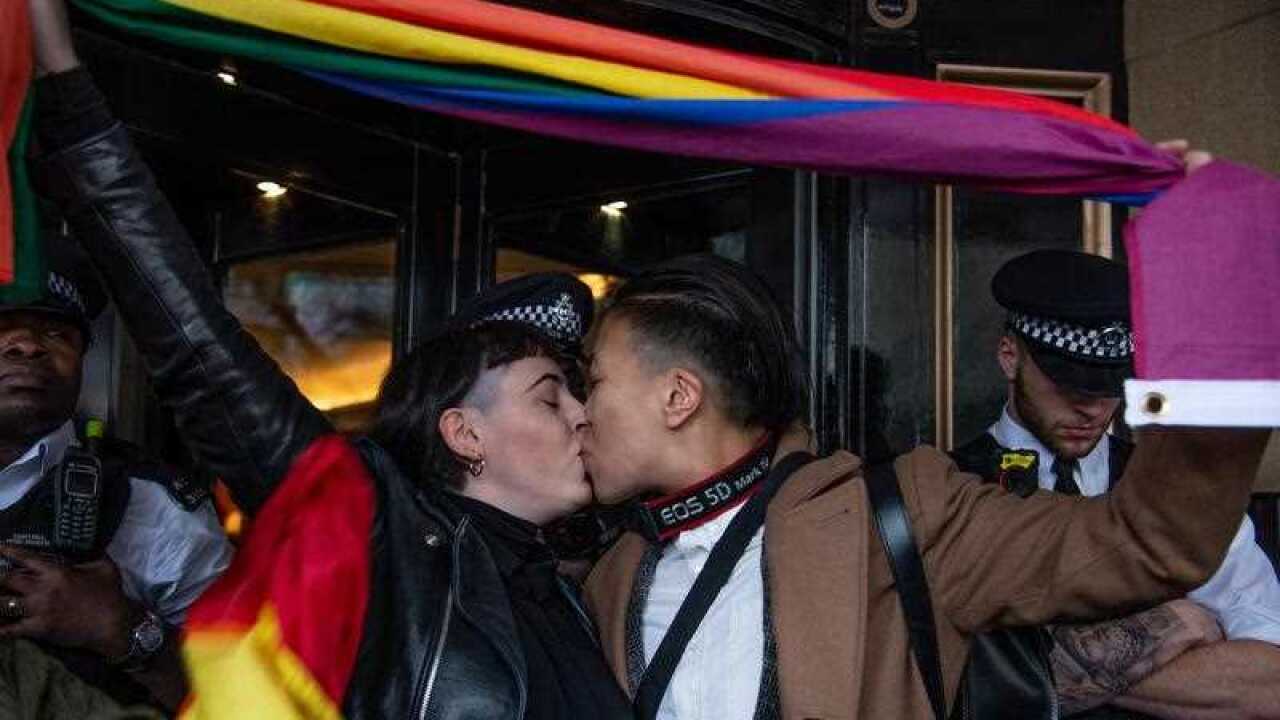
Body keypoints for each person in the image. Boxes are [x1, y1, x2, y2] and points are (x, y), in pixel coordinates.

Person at [26, 4, 633, 716]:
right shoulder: (388, 544)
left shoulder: (577, 587)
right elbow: (200, 351)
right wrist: (69, 93)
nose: (582, 415)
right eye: (549, 395)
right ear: (464, 433)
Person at [578, 253, 1270, 719]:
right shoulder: (611, 577)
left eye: (593, 383)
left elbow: (1148, 540)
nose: (580, 412)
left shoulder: (901, 514)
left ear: (678, 397)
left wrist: (1219, 331)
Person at [950, 249, 1280, 719]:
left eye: (1108, 388)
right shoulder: (946, 489)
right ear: (1010, 357)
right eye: (1069, 385)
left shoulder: (1179, 493)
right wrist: (1174, 626)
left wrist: (1024, 667)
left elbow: (1269, 682)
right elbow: (943, 682)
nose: (1092, 410)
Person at [0, 229, 230, 711]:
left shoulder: (152, 504)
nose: (26, 346)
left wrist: (119, 629)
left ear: (82, 358)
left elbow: (247, 699)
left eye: (56, 333)